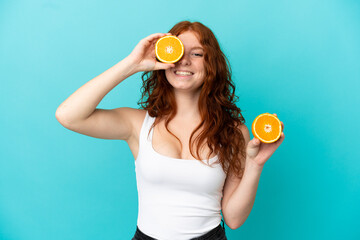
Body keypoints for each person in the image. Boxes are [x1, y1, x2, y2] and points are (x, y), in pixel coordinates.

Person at [55, 21, 285, 240]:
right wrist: (132, 64)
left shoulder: (234, 132)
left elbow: (234, 219)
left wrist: (255, 165)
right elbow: (68, 115)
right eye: (178, 52)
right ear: (165, 57)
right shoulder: (137, 124)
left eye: (197, 54)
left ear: (211, 64)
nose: (184, 61)